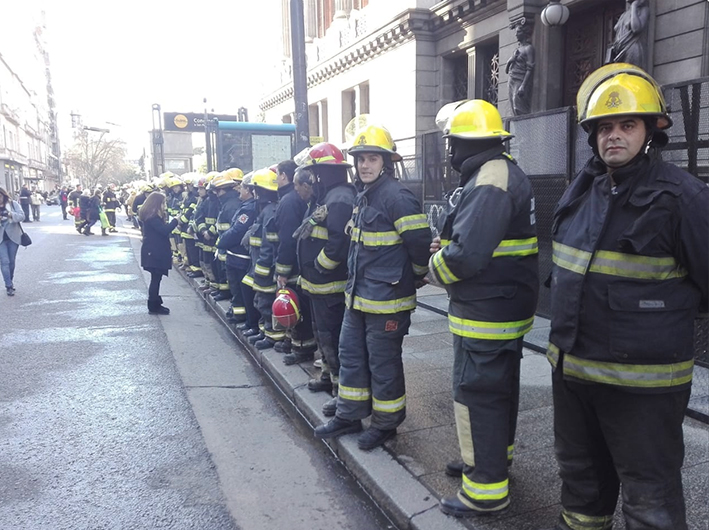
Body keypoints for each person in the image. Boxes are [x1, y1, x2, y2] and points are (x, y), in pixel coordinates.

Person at [542, 64, 708, 530]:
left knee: (649, 496)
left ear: (651, 131)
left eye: (627, 125)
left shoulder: (684, 198)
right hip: (574, 377)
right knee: (580, 486)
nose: (614, 136)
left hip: (643, 390)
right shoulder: (581, 191)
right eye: (605, 127)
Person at [428, 99, 539, 517]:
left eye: (451, 144)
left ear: (461, 144)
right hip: (504, 305)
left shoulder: (490, 180)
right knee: (498, 391)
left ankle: (485, 489)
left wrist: (434, 267)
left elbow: (466, 257)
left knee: (477, 394)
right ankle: (494, 459)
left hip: (486, 312)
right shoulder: (500, 171)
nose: (449, 153)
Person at [314, 124, 431, 451]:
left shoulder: (397, 197)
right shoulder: (364, 196)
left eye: (372, 159)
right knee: (351, 357)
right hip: (359, 298)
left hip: (388, 303)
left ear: (386, 163)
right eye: (361, 159)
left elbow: (420, 243)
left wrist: (417, 275)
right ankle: (350, 414)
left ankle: (385, 424)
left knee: (383, 365)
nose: (365, 165)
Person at [296, 144, 357, 415]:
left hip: (329, 284)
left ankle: (338, 390)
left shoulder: (340, 199)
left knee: (331, 337)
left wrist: (320, 267)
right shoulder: (329, 196)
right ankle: (327, 377)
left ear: (323, 172)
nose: (311, 179)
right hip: (317, 284)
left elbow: (337, 244)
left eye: (313, 173)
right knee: (322, 335)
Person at [274, 159, 317, 363]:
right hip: (300, 264)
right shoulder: (294, 199)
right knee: (297, 306)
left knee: (296, 306)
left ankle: (301, 349)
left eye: (277, 175)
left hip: (293, 267)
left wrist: (282, 270)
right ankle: (293, 343)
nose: (275, 179)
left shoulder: (288, 201)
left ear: (284, 176)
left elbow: (287, 239)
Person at [242, 167, 284, 349]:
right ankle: (264, 331)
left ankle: (273, 336)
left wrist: (262, 270)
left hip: (265, 269)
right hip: (260, 265)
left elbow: (269, 246)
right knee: (260, 302)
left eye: (254, 190)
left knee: (266, 303)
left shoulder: (269, 212)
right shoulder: (266, 210)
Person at [216, 171, 258, 329]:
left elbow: (237, 231)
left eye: (241, 188)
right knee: (237, 290)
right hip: (234, 255)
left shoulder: (248, 209)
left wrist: (221, 242)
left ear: (248, 190)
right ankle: (242, 317)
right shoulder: (244, 206)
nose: (239, 190)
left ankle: (249, 321)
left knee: (243, 291)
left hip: (241, 257)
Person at [139, 191, 179, 315]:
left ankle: (155, 302)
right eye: (163, 203)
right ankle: (153, 305)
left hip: (153, 251)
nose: (164, 205)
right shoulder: (152, 218)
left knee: (156, 278)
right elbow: (164, 230)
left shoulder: (151, 216)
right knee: (156, 279)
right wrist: (175, 221)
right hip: (154, 252)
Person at [212, 169, 243, 303]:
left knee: (234, 282)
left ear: (224, 190)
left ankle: (237, 311)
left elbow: (233, 230)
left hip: (231, 248)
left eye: (217, 191)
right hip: (226, 247)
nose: (216, 194)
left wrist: (222, 243)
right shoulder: (227, 203)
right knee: (229, 278)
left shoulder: (231, 205)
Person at [608, 0, 649, 69]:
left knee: (631, 75)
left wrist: (634, 6)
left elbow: (636, 28)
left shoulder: (643, 10)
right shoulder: (623, 15)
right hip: (619, 50)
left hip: (631, 48)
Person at [506, 19, 535, 116]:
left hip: (520, 79)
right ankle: (516, 127)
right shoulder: (517, 50)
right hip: (512, 78)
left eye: (518, 32)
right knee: (512, 105)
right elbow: (507, 70)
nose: (516, 35)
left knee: (518, 104)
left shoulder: (528, 48)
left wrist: (523, 85)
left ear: (524, 33)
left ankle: (524, 127)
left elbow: (530, 69)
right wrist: (510, 61)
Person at [0, 187, 25, 296]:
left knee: (11, 262)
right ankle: (8, 285)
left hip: (13, 237)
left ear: (3, 195)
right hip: (1, 239)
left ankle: (10, 279)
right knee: (4, 261)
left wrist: (10, 215)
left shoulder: (13, 204)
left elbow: (22, 216)